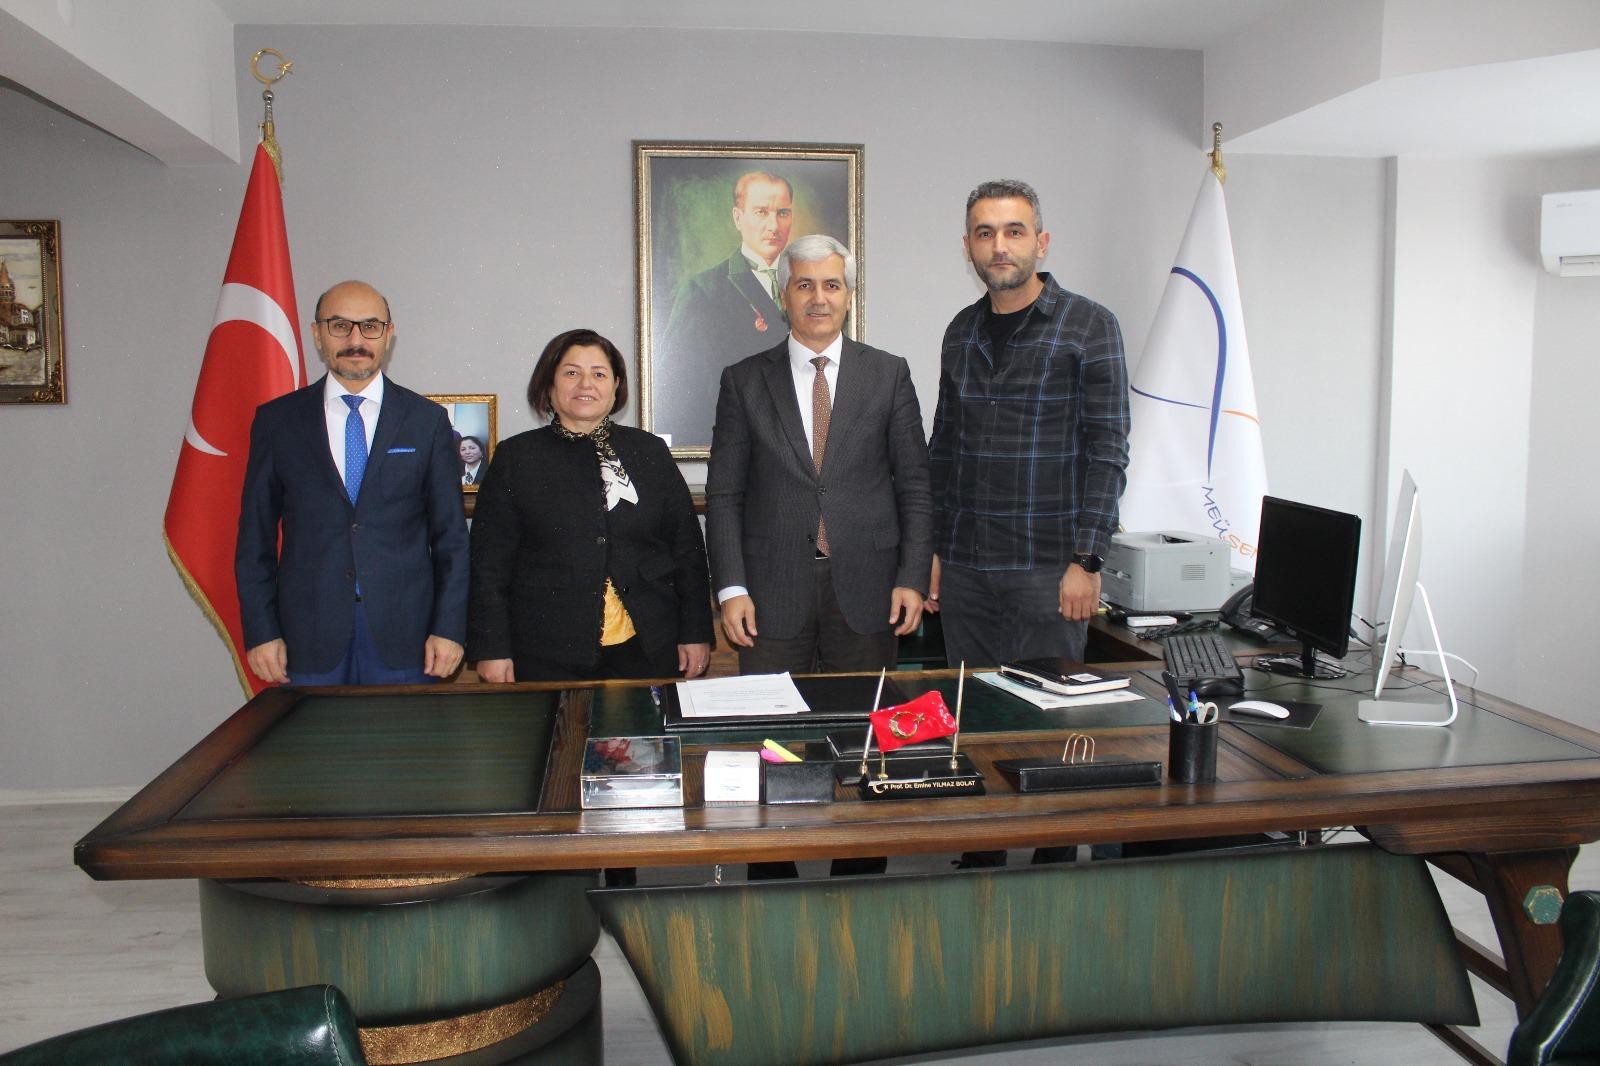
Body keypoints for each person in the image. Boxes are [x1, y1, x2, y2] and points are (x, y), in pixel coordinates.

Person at [927, 179, 1131, 869]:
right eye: (985, 233)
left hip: (1050, 568)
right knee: (975, 722)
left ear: (1040, 242)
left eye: (1013, 231)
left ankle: (1051, 868)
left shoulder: (1089, 325)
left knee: (1053, 726)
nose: (999, 246)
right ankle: (979, 858)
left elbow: (1108, 449)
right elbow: (944, 449)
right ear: (968, 247)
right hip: (967, 568)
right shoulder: (961, 332)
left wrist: (1088, 559)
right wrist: (935, 551)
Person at [706, 233, 932, 678]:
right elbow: (724, 495)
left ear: (848, 297)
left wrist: (912, 577)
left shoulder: (888, 374)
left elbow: (915, 486)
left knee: (861, 717)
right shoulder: (743, 381)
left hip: (870, 589)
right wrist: (731, 588)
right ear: (783, 296)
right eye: (804, 285)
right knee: (772, 720)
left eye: (831, 285)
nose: (818, 298)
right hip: (769, 595)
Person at [236, 280, 469, 686]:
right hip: (306, 635)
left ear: (389, 334)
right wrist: (261, 630)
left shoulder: (426, 421)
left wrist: (449, 628)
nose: (356, 340)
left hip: (407, 637)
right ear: (317, 334)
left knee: (402, 733)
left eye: (370, 326)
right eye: (340, 326)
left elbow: (451, 538)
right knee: (313, 733)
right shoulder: (277, 422)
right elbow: (254, 539)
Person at [468, 328, 713, 684]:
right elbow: (489, 563)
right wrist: (492, 648)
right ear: (549, 384)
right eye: (571, 372)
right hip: (545, 650)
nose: (586, 384)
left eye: (599, 374)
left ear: (616, 385)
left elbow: (687, 549)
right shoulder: (515, 457)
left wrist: (695, 631)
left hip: (649, 644)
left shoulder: (649, 452)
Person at [655, 171, 794, 445]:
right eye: (761, 212)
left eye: (783, 213)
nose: (774, 225)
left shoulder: (811, 287)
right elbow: (686, 388)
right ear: (738, 217)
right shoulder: (702, 290)